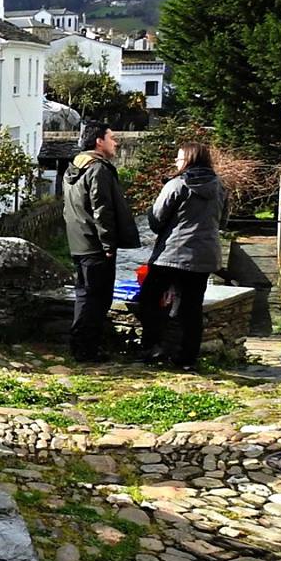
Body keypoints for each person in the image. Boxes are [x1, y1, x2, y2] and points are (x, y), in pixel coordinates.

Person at [135, 141, 226, 372]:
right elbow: (223, 222)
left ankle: (152, 347)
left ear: (189, 160)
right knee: (192, 308)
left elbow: (156, 220)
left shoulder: (177, 185)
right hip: (204, 256)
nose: (176, 162)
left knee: (148, 299)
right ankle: (186, 358)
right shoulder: (220, 187)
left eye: (179, 158)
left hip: (172, 254)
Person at [62, 120, 140, 361]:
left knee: (85, 296)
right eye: (111, 137)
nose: (115, 143)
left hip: (79, 242)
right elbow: (102, 209)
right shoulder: (98, 169)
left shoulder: (74, 167)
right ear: (99, 141)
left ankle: (81, 347)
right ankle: (86, 351)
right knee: (97, 298)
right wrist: (108, 244)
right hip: (96, 245)